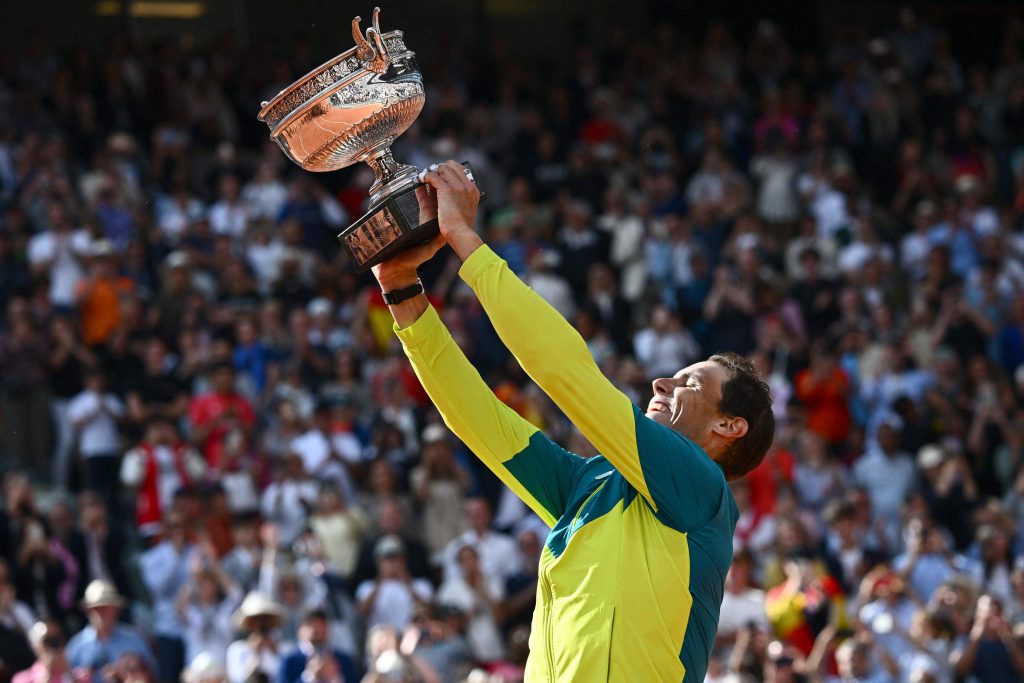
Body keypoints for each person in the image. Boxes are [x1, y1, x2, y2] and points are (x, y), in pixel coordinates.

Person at [371, 161, 775, 680]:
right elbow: (479, 419)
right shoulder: (590, 483)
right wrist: (403, 290)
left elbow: (565, 370)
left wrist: (466, 241)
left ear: (729, 426)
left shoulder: (702, 488)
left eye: (690, 383)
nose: (662, 383)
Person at [66, 581, 155, 680]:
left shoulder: (134, 639)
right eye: (97, 608)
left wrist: (125, 674)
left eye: (107, 607)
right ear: (88, 611)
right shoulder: (76, 646)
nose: (102, 613)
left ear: (116, 609)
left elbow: (152, 675)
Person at [275, 609, 358, 683]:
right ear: (300, 630)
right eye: (313, 626)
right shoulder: (290, 661)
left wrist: (336, 676)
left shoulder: (343, 660)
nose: (319, 631)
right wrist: (310, 676)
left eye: (323, 626)